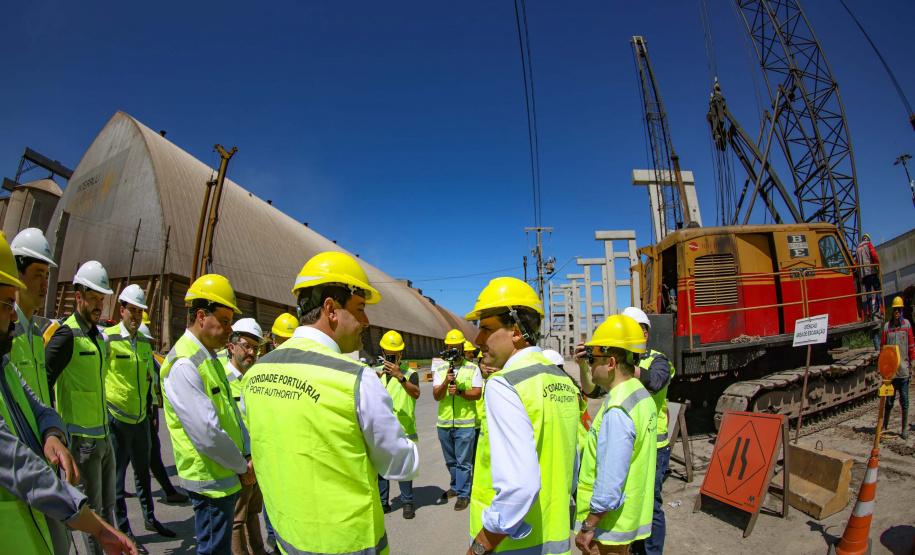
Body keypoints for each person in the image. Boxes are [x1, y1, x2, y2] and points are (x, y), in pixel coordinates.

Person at [243, 251, 418, 555]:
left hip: (289, 540)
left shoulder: (255, 374)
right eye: (361, 309)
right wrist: (413, 449)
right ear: (331, 308)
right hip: (348, 544)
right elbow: (399, 463)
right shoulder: (356, 379)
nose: (366, 321)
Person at [465, 277, 579, 555]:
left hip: (511, 544)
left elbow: (519, 486)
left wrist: (480, 547)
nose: (478, 340)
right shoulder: (562, 381)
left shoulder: (505, 384)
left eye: (486, 330)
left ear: (515, 331)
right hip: (554, 535)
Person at [161, 274, 253, 555]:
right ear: (201, 316)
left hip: (224, 476)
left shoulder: (208, 358)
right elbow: (207, 434)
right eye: (224, 322)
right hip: (210, 483)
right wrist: (242, 465)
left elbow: (230, 415)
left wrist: (246, 453)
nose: (229, 330)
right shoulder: (184, 364)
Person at [46, 260, 117, 555]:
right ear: (79, 297)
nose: (99, 304)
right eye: (94, 298)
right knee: (91, 512)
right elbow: (43, 381)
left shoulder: (98, 337)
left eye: (102, 298)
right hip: (82, 441)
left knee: (108, 506)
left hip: (103, 436)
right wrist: (53, 431)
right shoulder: (66, 334)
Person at [574, 315, 657, 555]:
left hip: (608, 526)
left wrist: (588, 525)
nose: (590, 364)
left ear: (610, 363)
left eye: (593, 359)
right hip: (628, 516)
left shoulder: (618, 409)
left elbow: (610, 481)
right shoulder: (640, 395)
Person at [105, 284, 175, 554]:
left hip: (141, 419)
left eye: (139, 311)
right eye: (131, 310)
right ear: (121, 310)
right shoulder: (108, 339)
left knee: (143, 473)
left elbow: (150, 378)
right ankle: (124, 529)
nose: (135, 316)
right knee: (118, 477)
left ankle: (150, 518)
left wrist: (152, 410)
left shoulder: (145, 343)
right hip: (117, 418)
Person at [221, 318, 271, 555]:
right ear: (231, 346)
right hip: (238, 463)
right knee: (237, 519)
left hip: (257, 460)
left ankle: (259, 551)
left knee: (253, 513)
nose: (251, 352)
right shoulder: (222, 381)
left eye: (255, 347)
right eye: (246, 346)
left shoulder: (257, 379)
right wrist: (242, 463)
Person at [136, 322, 188, 505]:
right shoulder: (135, 355)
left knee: (145, 455)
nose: (149, 346)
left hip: (146, 411)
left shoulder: (145, 355)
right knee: (148, 455)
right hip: (139, 414)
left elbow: (153, 381)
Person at [433, 329, 482, 510]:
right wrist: (446, 382)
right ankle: (455, 486)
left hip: (465, 423)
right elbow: (437, 396)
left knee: (463, 462)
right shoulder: (440, 369)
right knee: (450, 461)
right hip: (444, 423)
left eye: (456, 347)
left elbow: (477, 393)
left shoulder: (473, 368)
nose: (452, 350)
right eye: (449, 347)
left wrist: (460, 392)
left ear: (462, 347)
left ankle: (463, 494)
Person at [376, 329, 420, 519]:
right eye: (388, 353)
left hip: (403, 429)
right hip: (380, 429)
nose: (392, 357)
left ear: (401, 354)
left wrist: (399, 377)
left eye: (395, 353)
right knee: (380, 469)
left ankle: (407, 502)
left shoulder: (410, 373)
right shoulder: (374, 373)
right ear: (383, 353)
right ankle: (383, 502)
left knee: (404, 468)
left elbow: (416, 393)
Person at [10, 228, 57, 406]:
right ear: (17, 273)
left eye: (47, 275)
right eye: (38, 274)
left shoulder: (37, 334)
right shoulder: (5, 332)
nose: (45, 284)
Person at [880, 296, 913, 440]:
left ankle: (904, 429)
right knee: (889, 401)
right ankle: (885, 426)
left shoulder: (907, 326)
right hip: (891, 373)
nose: (896, 313)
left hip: (904, 370)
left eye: (898, 311)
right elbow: (882, 348)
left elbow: (911, 346)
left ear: (901, 311)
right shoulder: (887, 327)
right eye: (894, 311)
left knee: (904, 400)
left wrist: (913, 361)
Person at [855, 233, 882, 319]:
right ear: (868, 238)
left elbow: (856, 262)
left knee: (869, 294)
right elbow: (873, 254)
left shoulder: (858, 248)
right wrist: (878, 264)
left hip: (864, 275)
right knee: (877, 290)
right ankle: (877, 310)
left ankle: (870, 312)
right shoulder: (868, 244)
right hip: (871, 272)